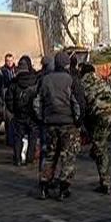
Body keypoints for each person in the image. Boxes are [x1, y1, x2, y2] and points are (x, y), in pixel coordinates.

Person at [33, 52, 84, 201]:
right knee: (68, 157)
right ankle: (63, 188)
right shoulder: (71, 80)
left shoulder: (45, 80)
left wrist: (42, 118)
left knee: (50, 155)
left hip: (50, 124)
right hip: (68, 124)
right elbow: (77, 103)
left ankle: (44, 185)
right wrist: (78, 121)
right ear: (67, 64)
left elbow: (37, 102)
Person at [81, 64, 111, 195]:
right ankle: (96, 151)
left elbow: (83, 106)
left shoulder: (82, 84)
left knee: (100, 149)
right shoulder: (100, 81)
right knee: (100, 143)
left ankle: (105, 182)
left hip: (101, 115)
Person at [5, 56, 39, 166]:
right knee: (33, 136)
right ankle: (30, 157)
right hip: (32, 113)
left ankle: (18, 159)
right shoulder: (35, 80)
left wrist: (13, 110)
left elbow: (9, 99)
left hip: (19, 114)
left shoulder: (14, 82)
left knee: (18, 137)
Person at [0, 53, 17, 146]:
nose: (9, 63)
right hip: (6, 95)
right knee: (8, 119)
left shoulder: (17, 70)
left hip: (16, 96)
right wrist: (0, 95)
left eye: (11, 61)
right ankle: (9, 139)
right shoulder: (1, 71)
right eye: (7, 61)